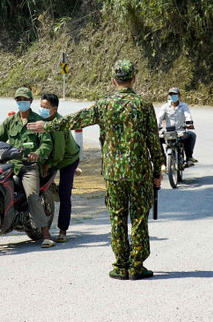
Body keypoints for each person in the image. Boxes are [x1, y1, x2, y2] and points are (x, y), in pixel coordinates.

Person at [28, 60, 164, 280]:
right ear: (134, 79)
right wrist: (158, 170)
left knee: (117, 217)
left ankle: (121, 265)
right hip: (139, 172)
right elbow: (153, 141)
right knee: (139, 217)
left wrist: (48, 125)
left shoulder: (104, 105)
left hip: (113, 173)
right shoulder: (144, 105)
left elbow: (75, 119)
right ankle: (137, 266)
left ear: (113, 81)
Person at [0, 87, 56, 248]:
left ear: (30, 101)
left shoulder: (38, 121)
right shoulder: (11, 121)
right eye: (18, 100)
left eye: (24, 100)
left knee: (32, 196)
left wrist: (38, 153)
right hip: (9, 165)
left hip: (28, 167)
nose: (21, 102)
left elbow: (47, 143)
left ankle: (46, 234)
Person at [38, 92, 80, 243]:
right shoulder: (40, 121)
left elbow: (59, 154)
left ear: (54, 110)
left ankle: (63, 230)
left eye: (45, 107)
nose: (42, 109)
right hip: (52, 157)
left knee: (64, 194)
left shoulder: (59, 125)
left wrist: (48, 165)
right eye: (41, 106)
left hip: (68, 159)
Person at [157, 87, 197, 166]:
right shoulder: (164, 107)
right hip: (167, 132)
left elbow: (187, 115)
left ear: (179, 95)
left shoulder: (183, 106)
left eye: (175, 94)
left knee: (192, 135)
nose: (173, 96)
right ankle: (162, 160)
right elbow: (159, 117)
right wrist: (157, 126)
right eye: (171, 94)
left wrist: (189, 123)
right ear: (168, 96)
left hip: (180, 131)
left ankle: (189, 157)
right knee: (156, 139)